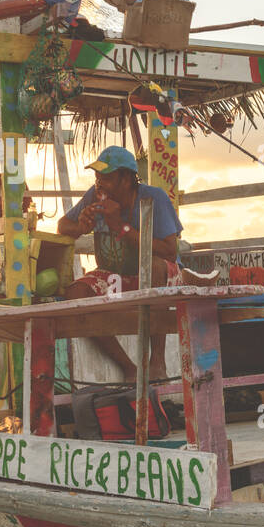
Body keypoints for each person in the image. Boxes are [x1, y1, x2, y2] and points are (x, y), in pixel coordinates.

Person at [58, 145, 182, 381]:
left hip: (161, 278)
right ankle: (128, 367)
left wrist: (120, 227)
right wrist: (81, 227)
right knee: (75, 293)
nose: (99, 183)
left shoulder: (153, 197)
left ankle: (158, 362)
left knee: (154, 266)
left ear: (126, 179)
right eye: (97, 177)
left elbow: (169, 250)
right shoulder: (94, 196)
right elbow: (63, 226)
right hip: (117, 278)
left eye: (106, 177)